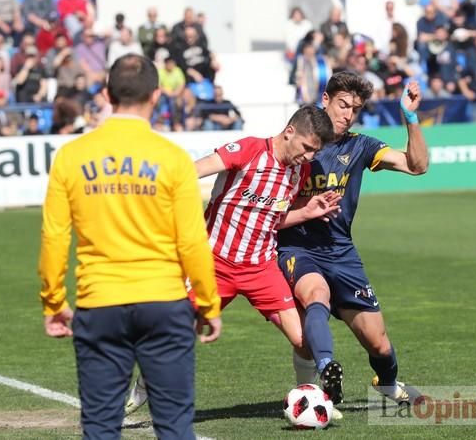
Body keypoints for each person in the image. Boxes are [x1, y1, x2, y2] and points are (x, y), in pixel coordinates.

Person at [38, 53, 222, 440]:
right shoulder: (172, 158)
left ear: (106, 94)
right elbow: (191, 240)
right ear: (156, 96)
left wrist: (54, 302)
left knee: (101, 427)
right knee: (174, 427)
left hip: (99, 302)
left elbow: (55, 238)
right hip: (164, 304)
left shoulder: (71, 156)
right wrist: (207, 303)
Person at [124, 104, 341, 418]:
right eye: (307, 148)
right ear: (289, 131)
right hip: (214, 264)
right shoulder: (249, 150)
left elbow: (269, 219)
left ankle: (308, 399)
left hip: (262, 268)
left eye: (315, 151)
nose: (309, 156)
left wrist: (306, 212)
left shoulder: (301, 170)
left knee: (303, 340)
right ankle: (141, 389)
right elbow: (191, 171)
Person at [276, 72, 428, 407]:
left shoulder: (360, 146)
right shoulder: (298, 143)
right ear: (326, 100)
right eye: (343, 104)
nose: (348, 114)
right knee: (316, 295)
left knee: (380, 345)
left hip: (341, 253)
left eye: (355, 109)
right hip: (297, 248)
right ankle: (321, 378)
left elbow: (417, 166)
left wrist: (410, 117)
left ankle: (387, 385)